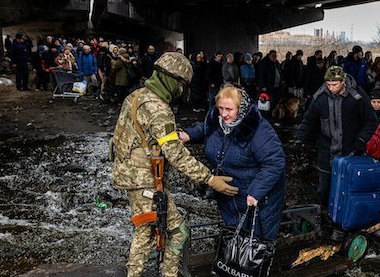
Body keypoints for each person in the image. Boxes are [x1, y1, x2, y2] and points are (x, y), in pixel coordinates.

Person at [110, 52, 238, 277]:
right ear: (170, 79)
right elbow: (176, 155)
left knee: (147, 230)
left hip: (130, 175)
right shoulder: (159, 109)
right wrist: (209, 178)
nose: (181, 90)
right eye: (180, 84)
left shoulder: (137, 96)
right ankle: (167, 274)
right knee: (176, 231)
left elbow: (123, 137)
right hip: (145, 180)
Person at [179, 85, 286, 240]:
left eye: (229, 109)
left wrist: (256, 192)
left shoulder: (258, 129)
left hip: (256, 196)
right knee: (235, 235)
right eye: (220, 108)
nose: (224, 114)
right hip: (229, 193)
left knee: (254, 242)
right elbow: (206, 130)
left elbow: (275, 162)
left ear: (240, 108)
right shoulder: (216, 121)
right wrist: (189, 135)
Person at [295, 66, 376, 208]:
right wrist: (300, 139)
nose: (331, 88)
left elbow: (370, 121)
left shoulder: (357, 97)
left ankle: (343, 217)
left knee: (346, 187)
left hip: (349, 149)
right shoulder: (320, 98)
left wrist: (361, 140)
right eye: (328, 84)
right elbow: (309, 120)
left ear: (343, 81)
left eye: (334, 84)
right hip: (326, 150)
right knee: (324, 188)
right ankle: (324, 214)